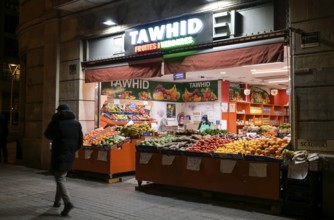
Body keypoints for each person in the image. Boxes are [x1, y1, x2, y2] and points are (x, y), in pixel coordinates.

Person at [44, 104, 83, 217]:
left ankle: (68, 203)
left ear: (59, 112)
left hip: (58, 153)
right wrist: (72, 149)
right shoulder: (76, 123)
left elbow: (47, 134)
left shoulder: (56, 122)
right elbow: (80, 141)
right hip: (70, 153)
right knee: (61, 176)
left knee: (60, 177)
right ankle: (57, 202)